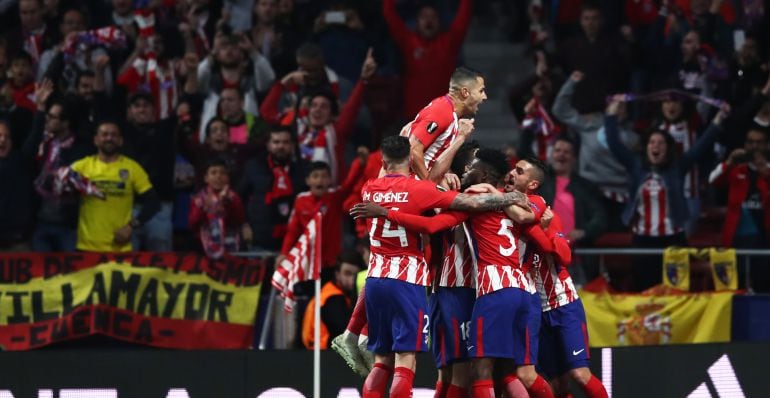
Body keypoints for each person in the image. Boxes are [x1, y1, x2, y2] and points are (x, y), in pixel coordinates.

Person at [350, 137, 531, 398]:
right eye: (469, 164)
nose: (469, 170)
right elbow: (453, 213)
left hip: (377, 278)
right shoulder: (425, 191)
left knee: (384, 361)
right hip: (428, 284)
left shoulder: (370, 188)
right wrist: (512, 196)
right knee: (424, 364)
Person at [605, 95, 729, 291]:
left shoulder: (677, 167)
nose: (656, 146)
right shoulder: (636, 166)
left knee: (676, 291)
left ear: (668, 148)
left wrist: (719, 118)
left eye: (661, 143)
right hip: (642, 240)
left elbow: (701, 146)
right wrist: (612, 111)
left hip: (673, 240)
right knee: (645, 292)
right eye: (652, 142)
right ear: (646, 148)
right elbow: (614, 143)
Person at [70, 121, 160, 252]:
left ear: (120, 141)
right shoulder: (81, 167)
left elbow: (153, 203)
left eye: (114, 135)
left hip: (120, 248)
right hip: (87, 246)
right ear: (95, 140)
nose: (109, 138)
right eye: (104, 134)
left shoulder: (132, 168)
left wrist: (130, 227)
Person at [278, 156, 366, 278]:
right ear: (308, 180)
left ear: (330, 180)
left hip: (331, 261)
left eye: (324, 176)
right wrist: (284, 253)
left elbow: (349, 184)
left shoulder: (335, 197)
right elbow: (293, 231)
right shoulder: (300, 200)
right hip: (308, 261)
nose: (320, 180)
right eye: (315, 176)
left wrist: (358, 163)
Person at [382, 0, 472, 118]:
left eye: (433, 17)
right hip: (415, 119)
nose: (429, 20)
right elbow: (389, 14)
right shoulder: (409, 42)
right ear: (417, 21)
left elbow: (465, 14)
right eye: (424, 17)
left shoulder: (449, 43)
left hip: (443, 120)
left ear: (439, 22)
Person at [709, 127, 770, 291]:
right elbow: (713, 181)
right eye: (750, 142)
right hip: (738, 238)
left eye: (759, 142)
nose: (755, 147)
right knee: (739, 285)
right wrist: (728, 162)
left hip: (764, 239)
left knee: (763, 285)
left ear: (767, 145)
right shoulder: (737, 168)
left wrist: (766, 173)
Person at [402, 66, 486, 182]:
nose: (484, 97)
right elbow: (414, 150)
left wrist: (444, 173)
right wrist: (428, 187)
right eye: (481, 91)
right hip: (413, 186)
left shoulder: (449, 113)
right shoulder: (442, 111)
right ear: (465, 92)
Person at [238, 127, 308, 251]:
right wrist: (244, 224)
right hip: (260, 237)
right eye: (276, 142)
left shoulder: (303, 169)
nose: (281, 146)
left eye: (285, 142)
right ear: (268, 145)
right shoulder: (254, 167)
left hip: (295, 238)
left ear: (292, 145)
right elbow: (240, 198)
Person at [302, 250, 364, 350]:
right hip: (323, 354)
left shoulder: (330, 291)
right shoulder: (333, 299)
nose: (352, 279)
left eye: (356, 275)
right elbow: (347, 332)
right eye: (347, 274)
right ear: (337, 274)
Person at [189, 158, 249, 258]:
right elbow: (192, 224)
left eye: (222, 173)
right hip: (204, 248)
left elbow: (239, 220)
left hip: (231, 246)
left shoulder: (233, 197)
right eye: (213, 173)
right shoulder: (199, 199)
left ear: (228, 177)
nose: (218, 176)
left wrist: (226, 203)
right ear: (206, 178)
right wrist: (203, 209)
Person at [0, 121, 34, 251]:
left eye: (7, 137)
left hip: (17, 242)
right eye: (0, 135)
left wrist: (41, 111)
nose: (3, 140)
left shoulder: (20, 162)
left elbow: (33, 141)